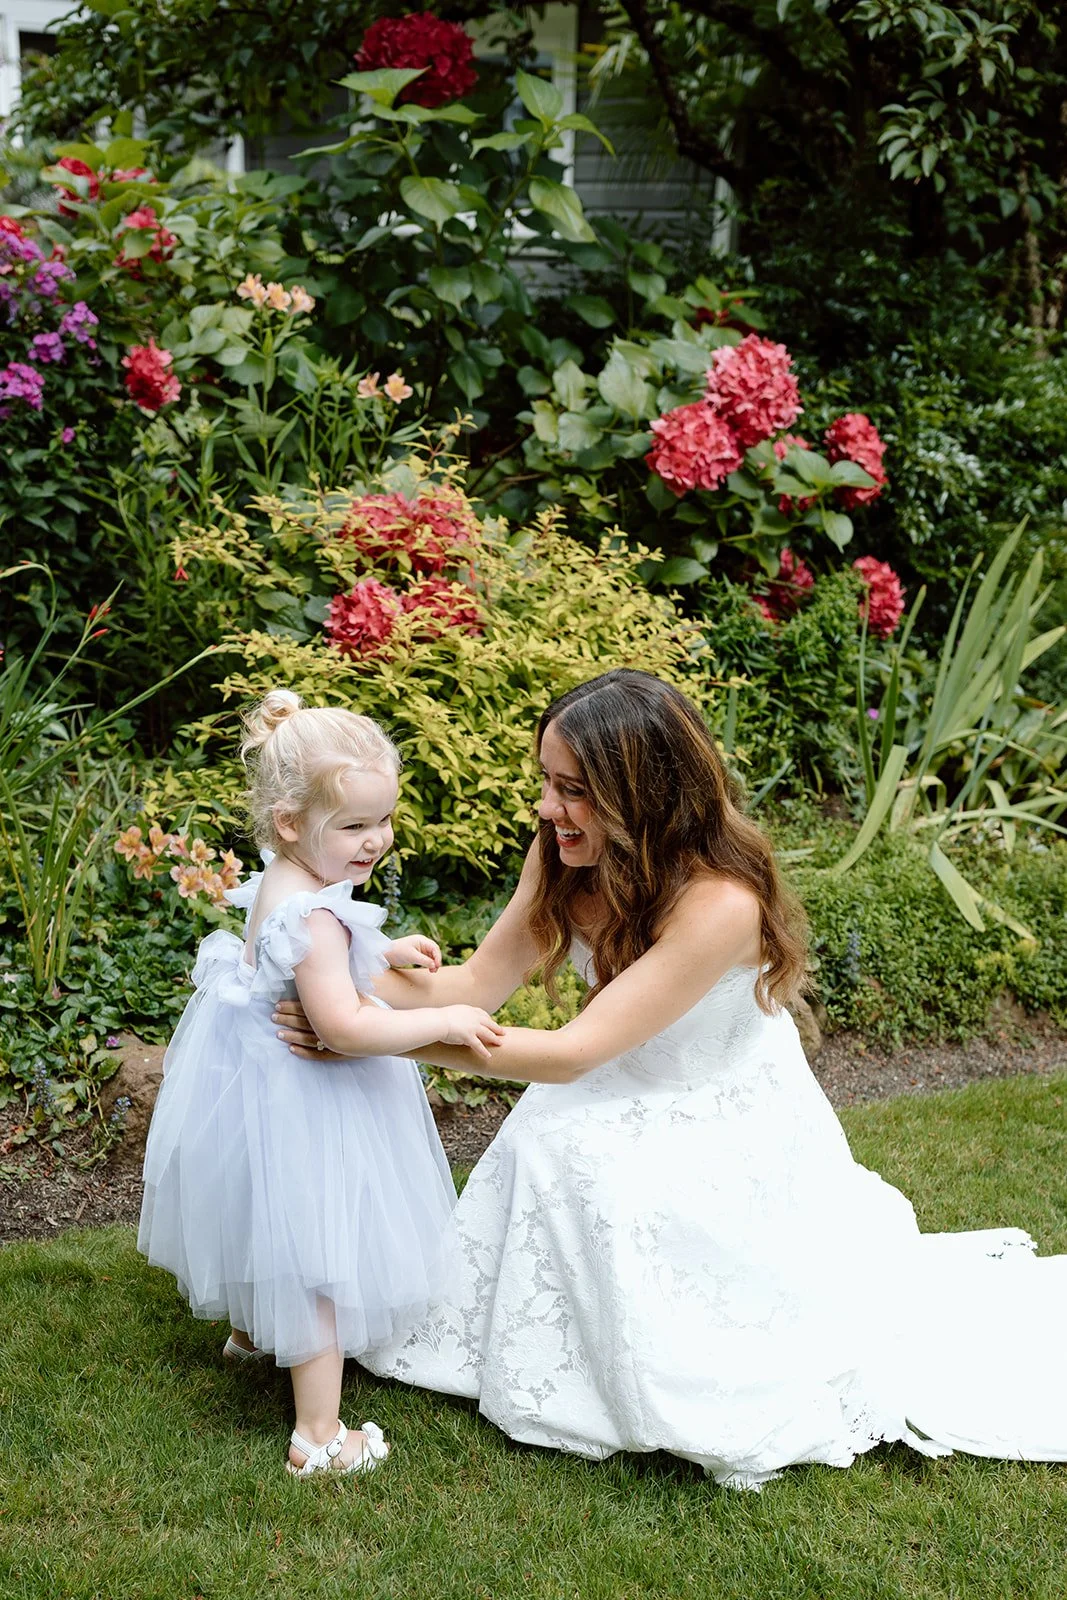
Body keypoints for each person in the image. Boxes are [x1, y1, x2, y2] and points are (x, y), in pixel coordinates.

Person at [275, 668, 1067, 1489]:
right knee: (548, 1139)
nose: (548, 809)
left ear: (643, 794)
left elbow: (574, 1051)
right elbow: (470, 990)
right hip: (613, 1077)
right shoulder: (560, 853)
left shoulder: (721, 903)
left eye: (573, 790)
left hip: (717, 1111)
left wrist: (370, 1041)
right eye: (547, 783)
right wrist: (330, 982)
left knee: (577, 1157)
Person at [138, 690, 503, 1477]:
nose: (376, 841)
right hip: (310, 1099)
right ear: (290, 824)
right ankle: (320, 1436)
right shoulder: (317, 916)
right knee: (321, 1255)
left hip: (253, 1092)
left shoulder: (287, 883)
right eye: (355, 826)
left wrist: (383, 948)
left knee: (261, 1217)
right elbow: (342, 1028)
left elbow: (309, 964)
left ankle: (250, 1332)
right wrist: (440, 1025)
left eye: (384, 820)